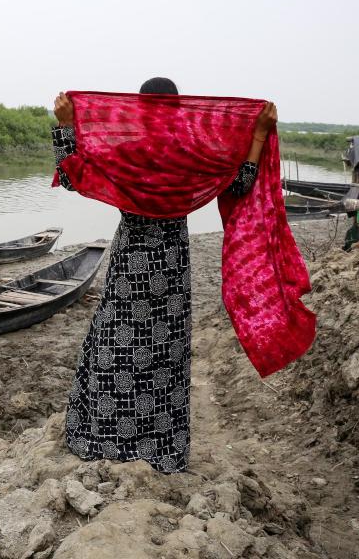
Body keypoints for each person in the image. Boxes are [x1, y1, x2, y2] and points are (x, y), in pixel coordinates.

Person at [51, 77, 277, 473]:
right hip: (171, 270)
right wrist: (257, 134)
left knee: (114, 347)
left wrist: (66, 126)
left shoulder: (127, 154)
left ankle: (104, 436)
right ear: (178, 110)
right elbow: (240, 182)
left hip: (129, 266)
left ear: (140, 109)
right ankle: (158, 446)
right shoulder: (191, 157)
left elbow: (72, 176)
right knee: (163, 355)